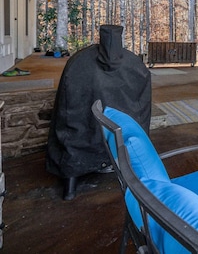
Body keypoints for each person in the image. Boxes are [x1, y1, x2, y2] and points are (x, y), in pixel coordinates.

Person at [45, 25, 151, 200]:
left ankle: (70, 188)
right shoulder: (135, 64)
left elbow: (65, 106)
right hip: (121, 138)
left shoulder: (79, 62)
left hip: (82, 139)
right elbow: (143, 106)